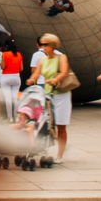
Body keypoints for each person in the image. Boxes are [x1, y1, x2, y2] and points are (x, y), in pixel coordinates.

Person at [27, 34, 72, 162]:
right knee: (43, 122)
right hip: (47, 94)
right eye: (42, 45)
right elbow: (36, 73)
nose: (43, 47)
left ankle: (60, 155)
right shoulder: (42, 60)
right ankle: (39, 145)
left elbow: (64, 72)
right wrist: (31, 80)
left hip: (60, 94)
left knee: (60, 125)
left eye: (45, 45)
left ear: (52, 45)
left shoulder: (61, 57)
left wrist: (55, 80)